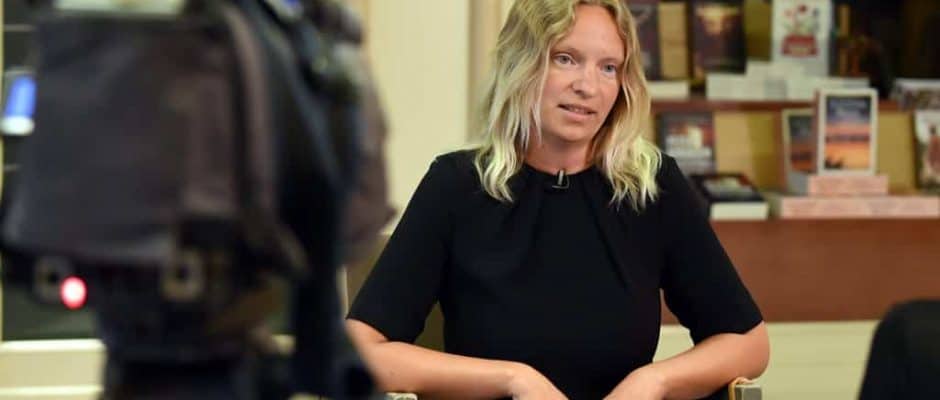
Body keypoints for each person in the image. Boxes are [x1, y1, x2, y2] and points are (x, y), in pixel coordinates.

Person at [346, 1, 769, 399]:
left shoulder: (652, 185)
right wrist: (514, 379)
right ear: (522, 63)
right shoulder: (456, 185)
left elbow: (748, 343)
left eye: (609, 67)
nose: (588, 87)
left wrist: (653, 380)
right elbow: (360, 351)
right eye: (565, 59)